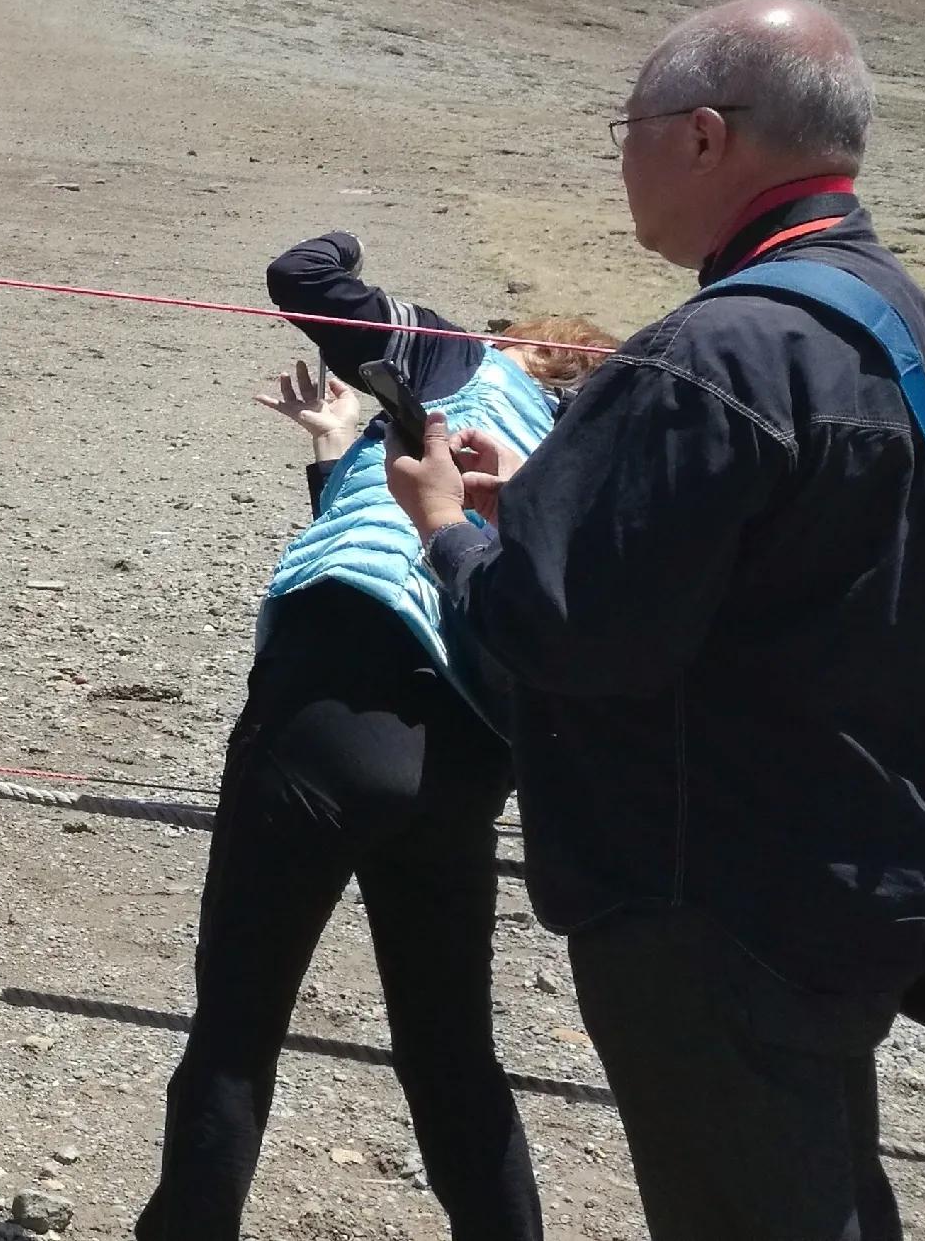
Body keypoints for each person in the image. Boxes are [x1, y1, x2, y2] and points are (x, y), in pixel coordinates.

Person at [389, 0, 925, 1241]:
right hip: (865, 864)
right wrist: (571, 502)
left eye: (630, 126)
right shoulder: (892, 315)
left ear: (706, 137)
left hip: (711, 890)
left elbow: (558, 636)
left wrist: (451, 529)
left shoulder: (705, 355)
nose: (621, 155)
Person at [137, 230, 612, 1241]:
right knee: (449, 1053)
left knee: (235, 1025)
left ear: (524, 341)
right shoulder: (574, 462)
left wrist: (348, 240)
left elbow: (302, 276)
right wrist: (334, 447)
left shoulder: (448, 357)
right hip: (465, 755)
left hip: (326, 702)